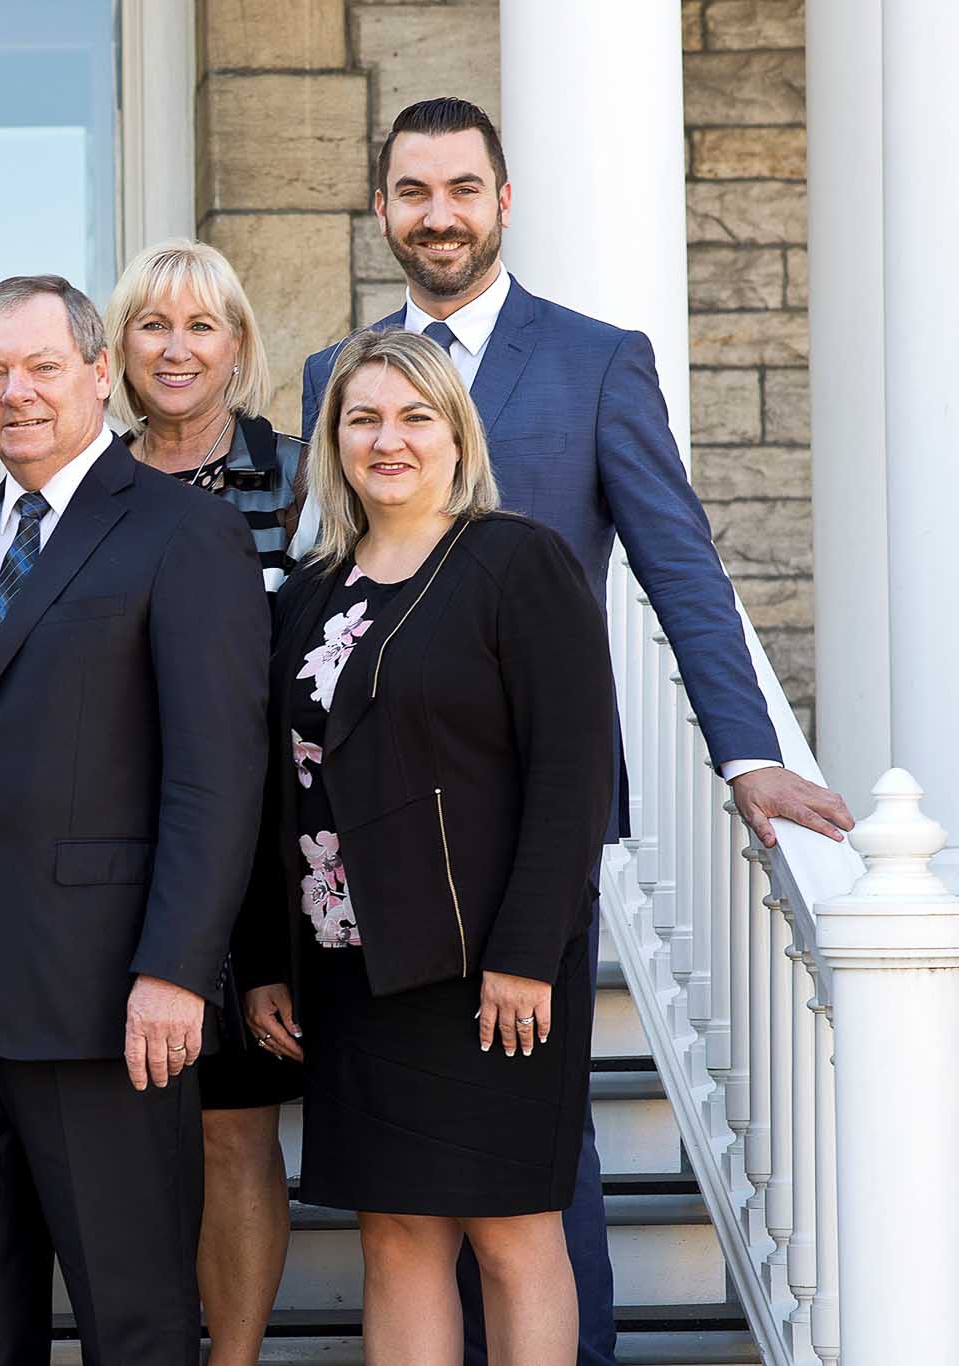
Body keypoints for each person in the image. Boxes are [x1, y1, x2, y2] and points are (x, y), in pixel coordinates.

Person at [295, 96, 857, 1366]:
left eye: (459, 188)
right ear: (380, 207)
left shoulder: (595, 358)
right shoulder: (342, 375)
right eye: (409, 191)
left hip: (519, 825)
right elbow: (320, 587)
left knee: (538, 1156)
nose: (435, 214)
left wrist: (747, 750)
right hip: (369, 852)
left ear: (501, 200)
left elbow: (678, 566)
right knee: (412, 1191)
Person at [0, 275, 268, 1364]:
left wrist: (176, 968)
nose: (13, 393)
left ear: (96, 373)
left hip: (109, 1005)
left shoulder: (185, 533)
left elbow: (213, 775)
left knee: (131, 1320)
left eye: (39, 367)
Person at [241, 327, 615, 1364]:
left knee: (509, 1231)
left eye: (413, 416)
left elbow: (571, 774)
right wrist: (270, 963)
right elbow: (281, 786)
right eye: (361, 418)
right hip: (351, 971)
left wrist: (525, 952)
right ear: (332, 442)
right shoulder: (309, 592)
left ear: (455, 435)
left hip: (486, 969)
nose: (386, 439)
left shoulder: (515, 563)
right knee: (395, 1233)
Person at [102, 238, 300, 1364]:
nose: (175, 350)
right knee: (127, 1131)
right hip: (119, 848)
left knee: (231, 1127)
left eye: (199, 326)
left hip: (260, 851)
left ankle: (229, 1355)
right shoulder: (90, 475)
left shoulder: (296, 474)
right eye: (150, 325)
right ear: (116, 348)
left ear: (235, 345)